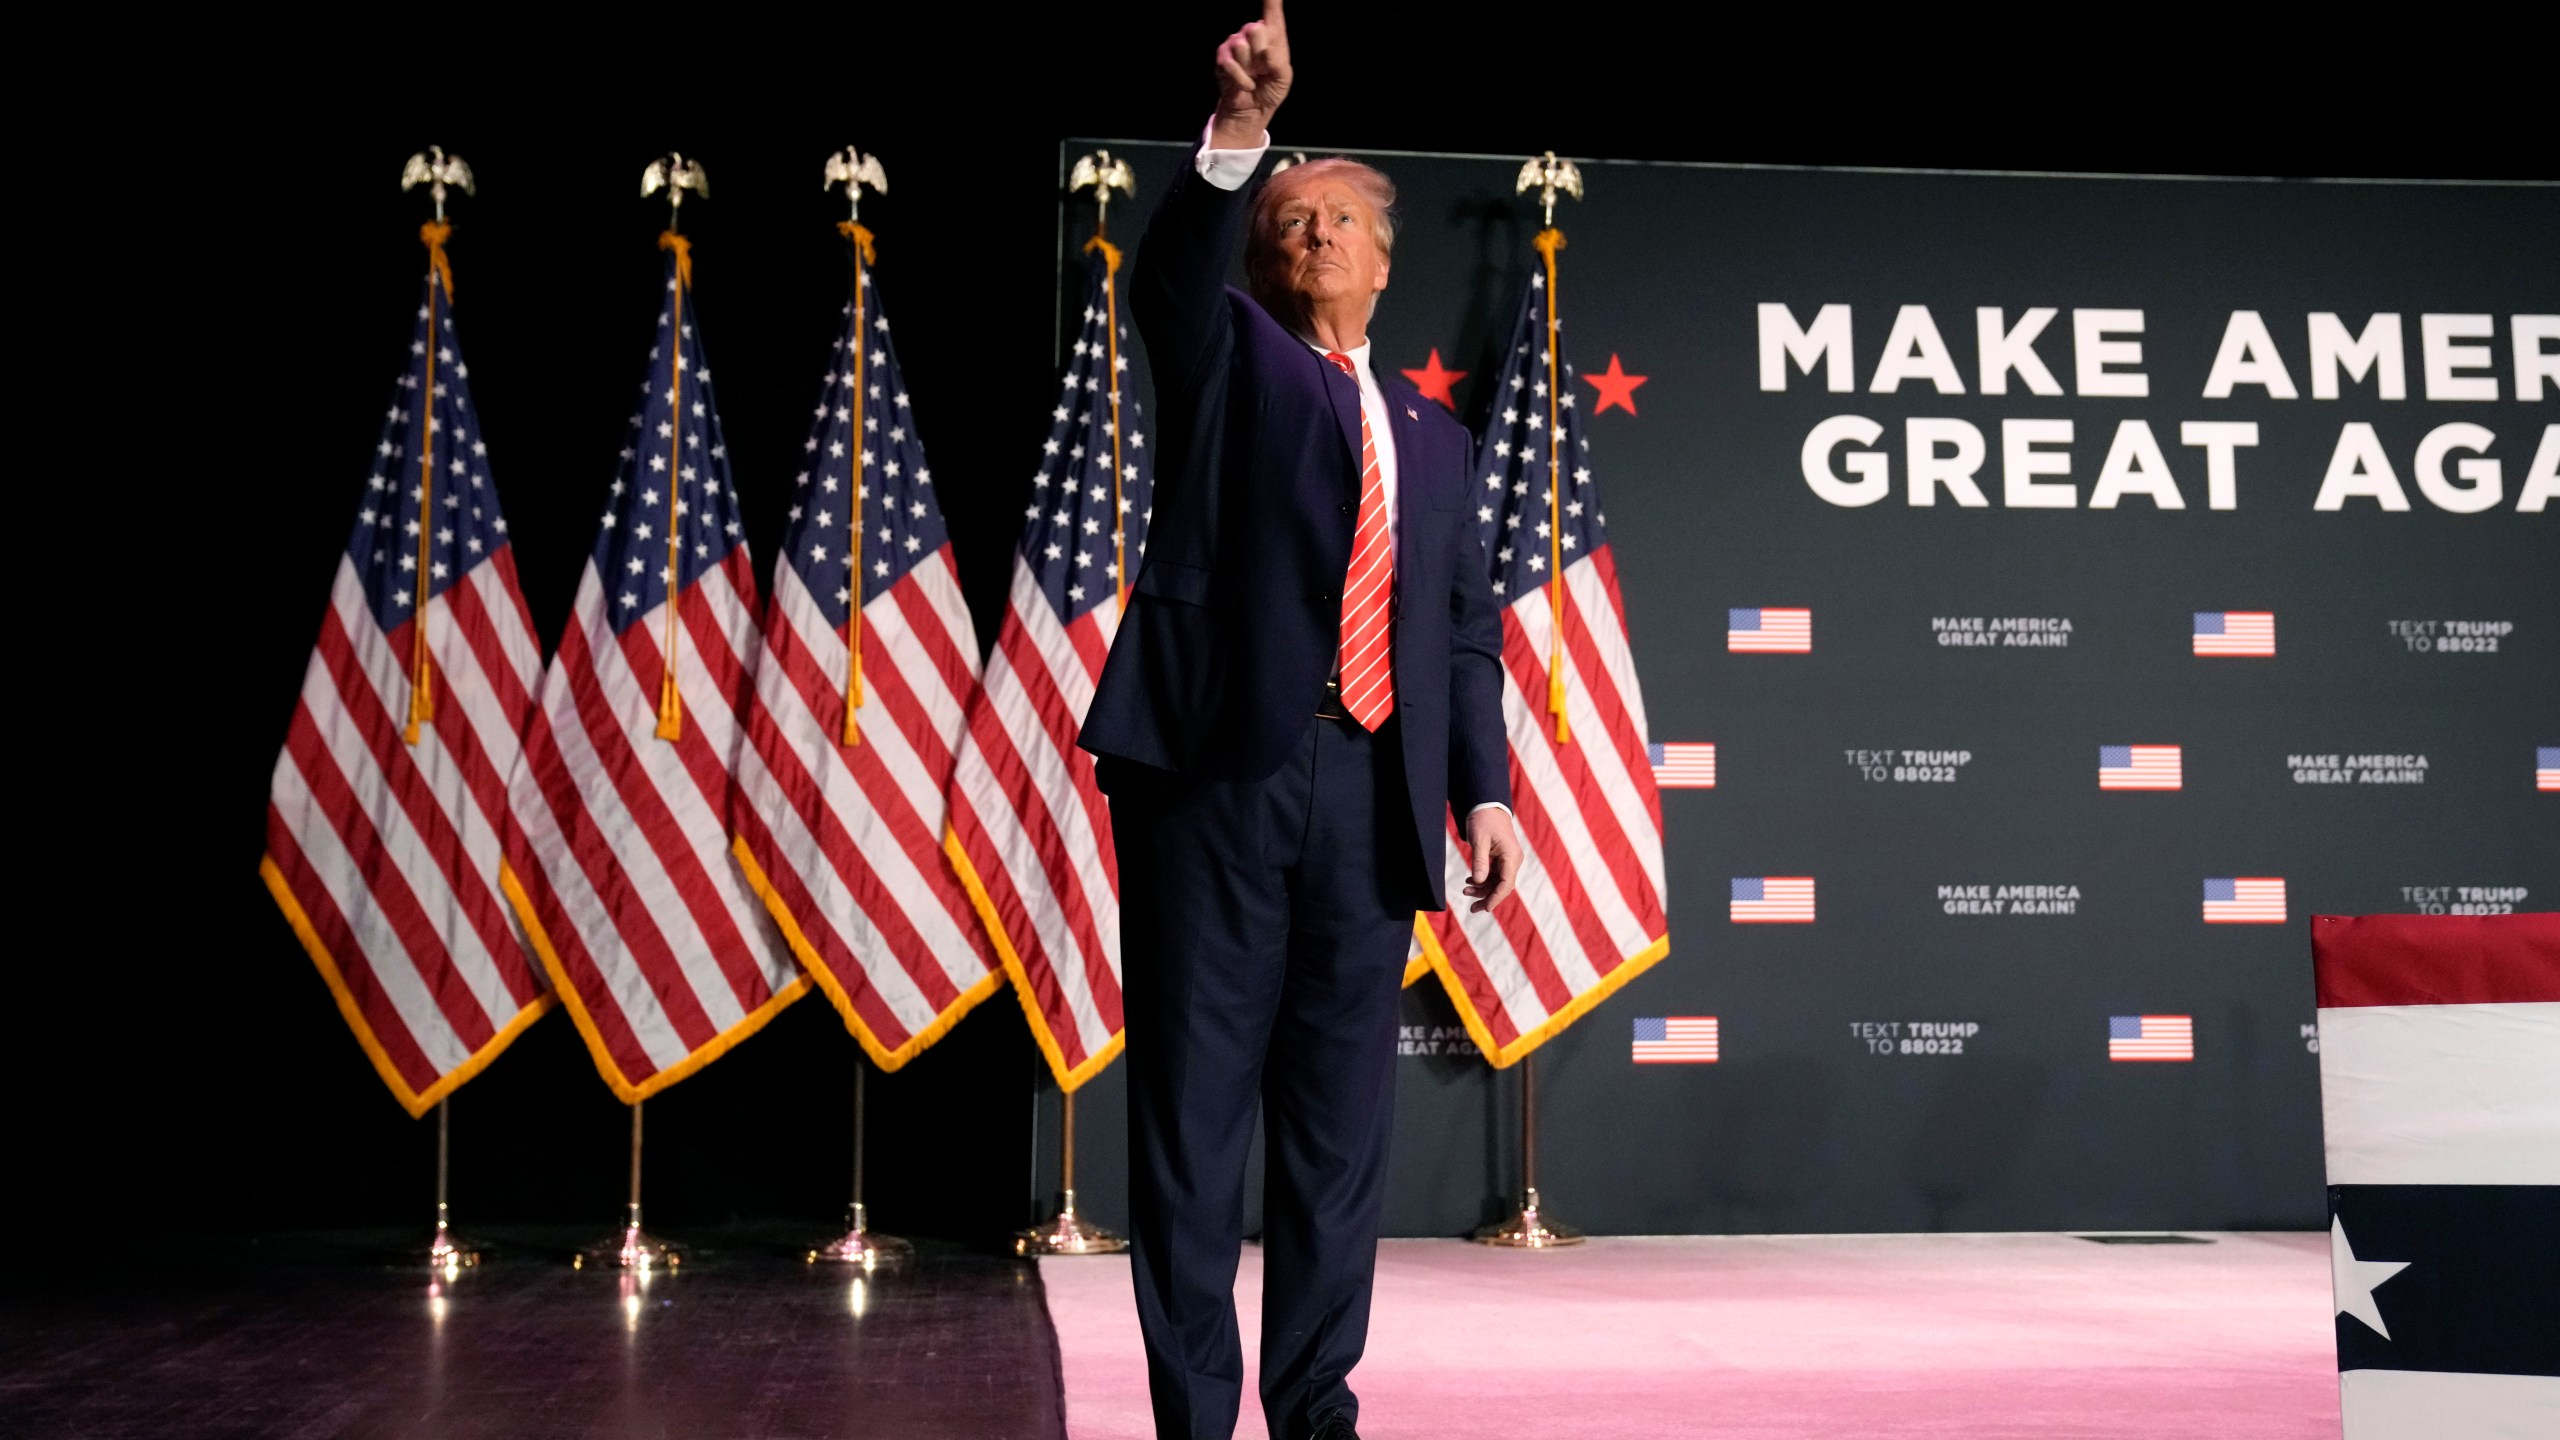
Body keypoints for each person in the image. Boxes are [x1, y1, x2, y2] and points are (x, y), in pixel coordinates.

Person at [1078, 4, 1524, 1437]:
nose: (1314, 232)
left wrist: (1486, 793)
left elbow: (1463, 631)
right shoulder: (1232, 365)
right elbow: (1175, 281)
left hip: (1372, 807)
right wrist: (1242, 139)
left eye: (1339, 218)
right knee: (1194, 1129)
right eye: (1293, 217)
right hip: (1217, 785)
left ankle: (1316, 1403)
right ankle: (1195, 1419)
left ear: (1385, 263)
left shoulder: (1439, 439)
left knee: (1339, 1145)